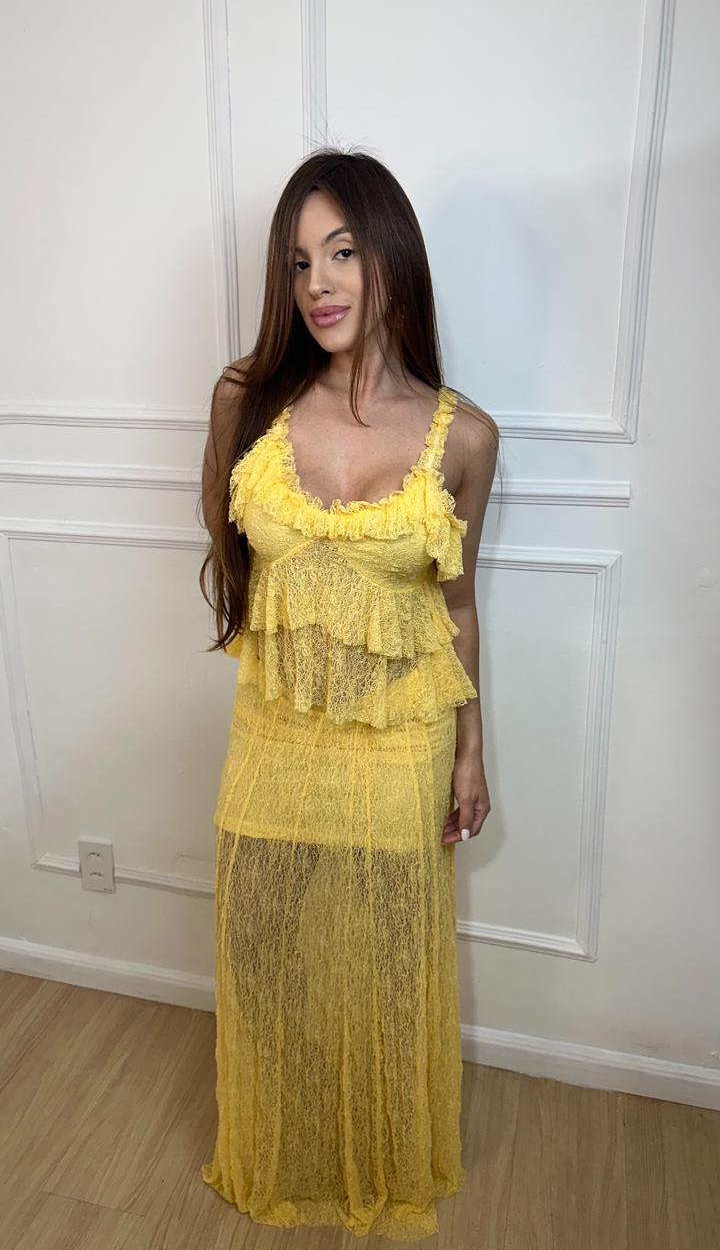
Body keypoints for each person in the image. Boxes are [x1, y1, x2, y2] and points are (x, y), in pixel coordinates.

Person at [198, 148, 500, 1242]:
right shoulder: (246, 401)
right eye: (298, 261)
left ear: (390, 260)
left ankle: (372, 1150)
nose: (318, 282)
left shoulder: (465, 436)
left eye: (341, 251)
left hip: (399, 740)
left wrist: (471, 753)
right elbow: (229, 550)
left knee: (383, 961)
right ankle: (286, 1141)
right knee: (265, 947)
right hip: (275, 731)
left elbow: (457, 605)